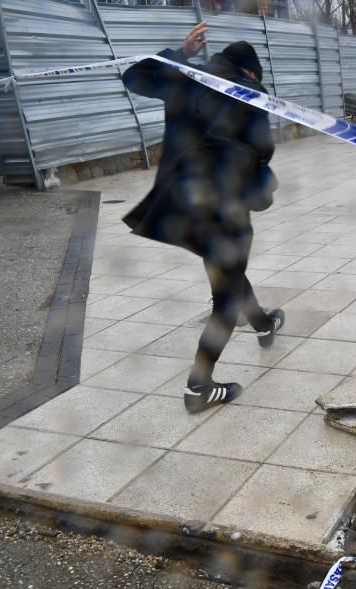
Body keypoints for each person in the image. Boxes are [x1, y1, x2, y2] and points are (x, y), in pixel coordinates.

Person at [122, 23, 284, 414]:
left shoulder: (187, 77)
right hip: (223, 208)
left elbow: (133, 76)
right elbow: (263, 151)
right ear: (250, 73)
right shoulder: (252, 93)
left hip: (183, 205)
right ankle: (199, 387)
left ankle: (262, 323)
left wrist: (181, 53)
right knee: (225, 296)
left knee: (226, 267)